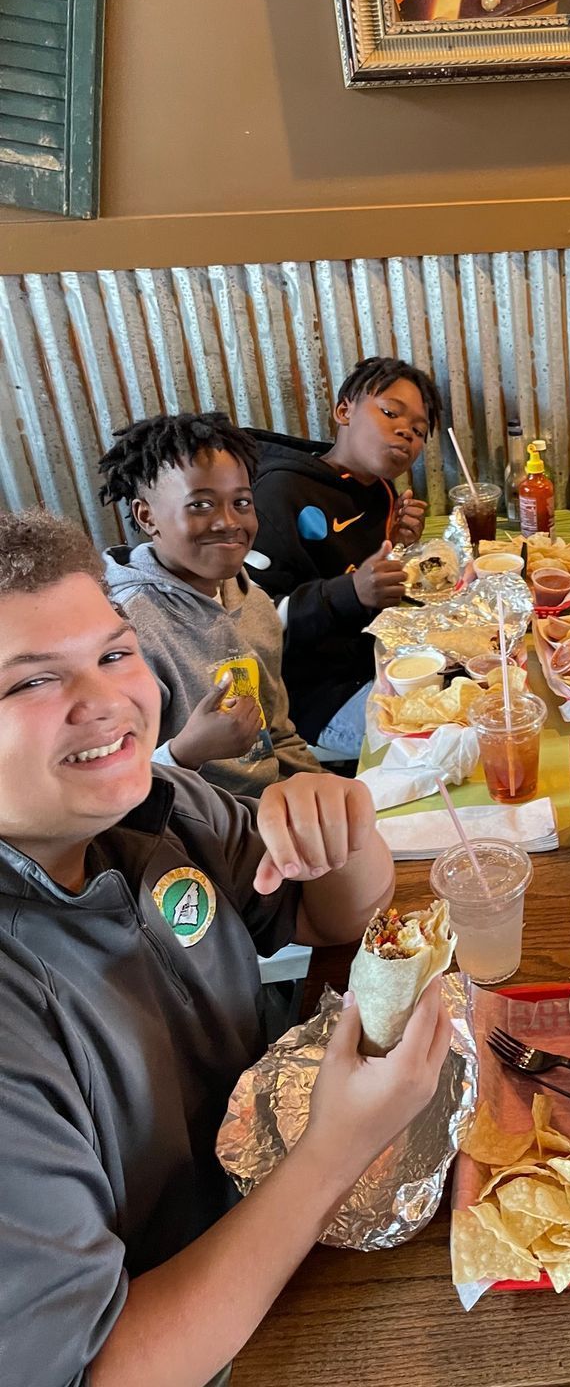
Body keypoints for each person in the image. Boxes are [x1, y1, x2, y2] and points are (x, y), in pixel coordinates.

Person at [0, 508, 451, 1386]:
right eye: (30, 683)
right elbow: (98, 1369)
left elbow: (331, 920)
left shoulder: (159, 807)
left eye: (114, 654)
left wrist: (343, 829)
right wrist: (335, 1149)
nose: (106, 702)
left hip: (288, 1207)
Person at [98, 412, 322, 797]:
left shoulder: (255, 605)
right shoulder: (125, 632)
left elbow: (279, 734)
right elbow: (107, 790)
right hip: (191, 825)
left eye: (242, 502)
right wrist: (185, 753)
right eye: (201, 505)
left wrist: (324, 789)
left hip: (271, 806)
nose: (228, 522)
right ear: (146, 516)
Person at [247, 356, 442, 756]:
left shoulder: (381, 491)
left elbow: (357, 578)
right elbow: (249, 625)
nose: (405, 432)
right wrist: (350, 592)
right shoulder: (279, 494)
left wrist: (396, 545)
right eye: (390, 413)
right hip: (315, 698)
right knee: (443, 745)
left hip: (378, 662)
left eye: (419, 431)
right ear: (344, 411)